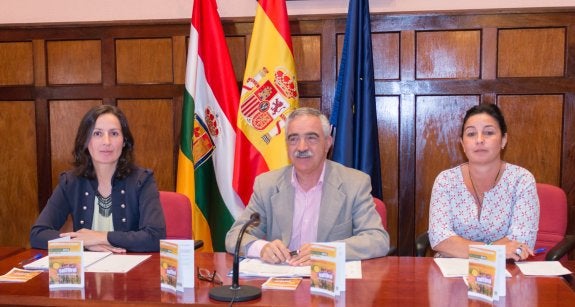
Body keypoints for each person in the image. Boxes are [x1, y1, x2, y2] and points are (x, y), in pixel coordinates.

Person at [225, 107, 389, 266]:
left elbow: (377, 239)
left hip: (329, 284)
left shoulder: (354, 183)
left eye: (311, 138)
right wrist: (262, 248)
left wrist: (325, 252)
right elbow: (234, 237)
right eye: (293, 139)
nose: (302, 147)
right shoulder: (267, 185)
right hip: (281, 284)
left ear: (327, 143)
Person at [30, 105, 166, 252]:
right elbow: (38, 234)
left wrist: (101, 237)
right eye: (97, 134)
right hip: (87, 271)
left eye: (114, 133)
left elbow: (155, 237)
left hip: (131, 269)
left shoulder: (142, 180)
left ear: (124, 141)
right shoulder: (71, 182)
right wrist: (82, 242)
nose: (106, 142)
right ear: (86, 141)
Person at [428, 103, 539, 261]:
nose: (479, 140)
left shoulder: (521, 180)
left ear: (503, 140)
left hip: (506, 272)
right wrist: (495, 250)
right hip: (451, 274)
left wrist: (461, 248)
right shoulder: (445, 181)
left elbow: (520, 242)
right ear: (462, 144)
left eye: (488, 132)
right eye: (471, 134)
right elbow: (440, 240)